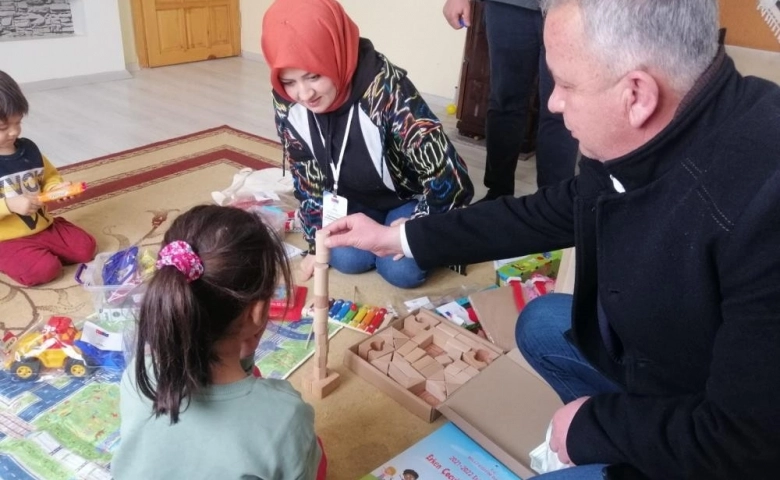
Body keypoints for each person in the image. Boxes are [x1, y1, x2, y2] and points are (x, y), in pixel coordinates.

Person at [322, 0, 780, 478]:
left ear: (636, 94)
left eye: (565, 83)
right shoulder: (666, 123)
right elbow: (548, 211)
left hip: (729, 446)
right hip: (670, 370)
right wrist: (400, 238)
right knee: (542, 323)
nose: (554, 103)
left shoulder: (763, 210)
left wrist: (593, 426)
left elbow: (745, 441)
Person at [261, 0, 474, 289]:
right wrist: (314, 244)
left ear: (335, 53)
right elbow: (305, 172)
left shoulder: (386, 90)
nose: (304, 93)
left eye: (314, 76)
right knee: (346, 259)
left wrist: (419, 223)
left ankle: (419, 230)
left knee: (401, 272)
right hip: (352, 198)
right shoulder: (286, 100)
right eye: (289, 81)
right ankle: (381, 233)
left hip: (408, 199)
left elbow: (452, 177)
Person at [112, 205, 325, 480]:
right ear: (258, 312)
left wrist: (245, 357)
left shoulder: (138, 376)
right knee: (315, 453)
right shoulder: (285, 417)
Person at [442, 0, 578, 197]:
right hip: (507, 6)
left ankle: (554, 205)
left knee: (562, 110)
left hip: (574, 9)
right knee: (504, 103)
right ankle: (497, 195)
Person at [0, 70, 96, 286]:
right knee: (44, 270)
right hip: (6, 239)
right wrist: (9, 205)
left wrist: (55, 188)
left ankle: (42, 247)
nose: (14, 132)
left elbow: (48, 175)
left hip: (44, 225)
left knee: (86, 248)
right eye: (3, 128)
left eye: (18, 123)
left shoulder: (28, 149)